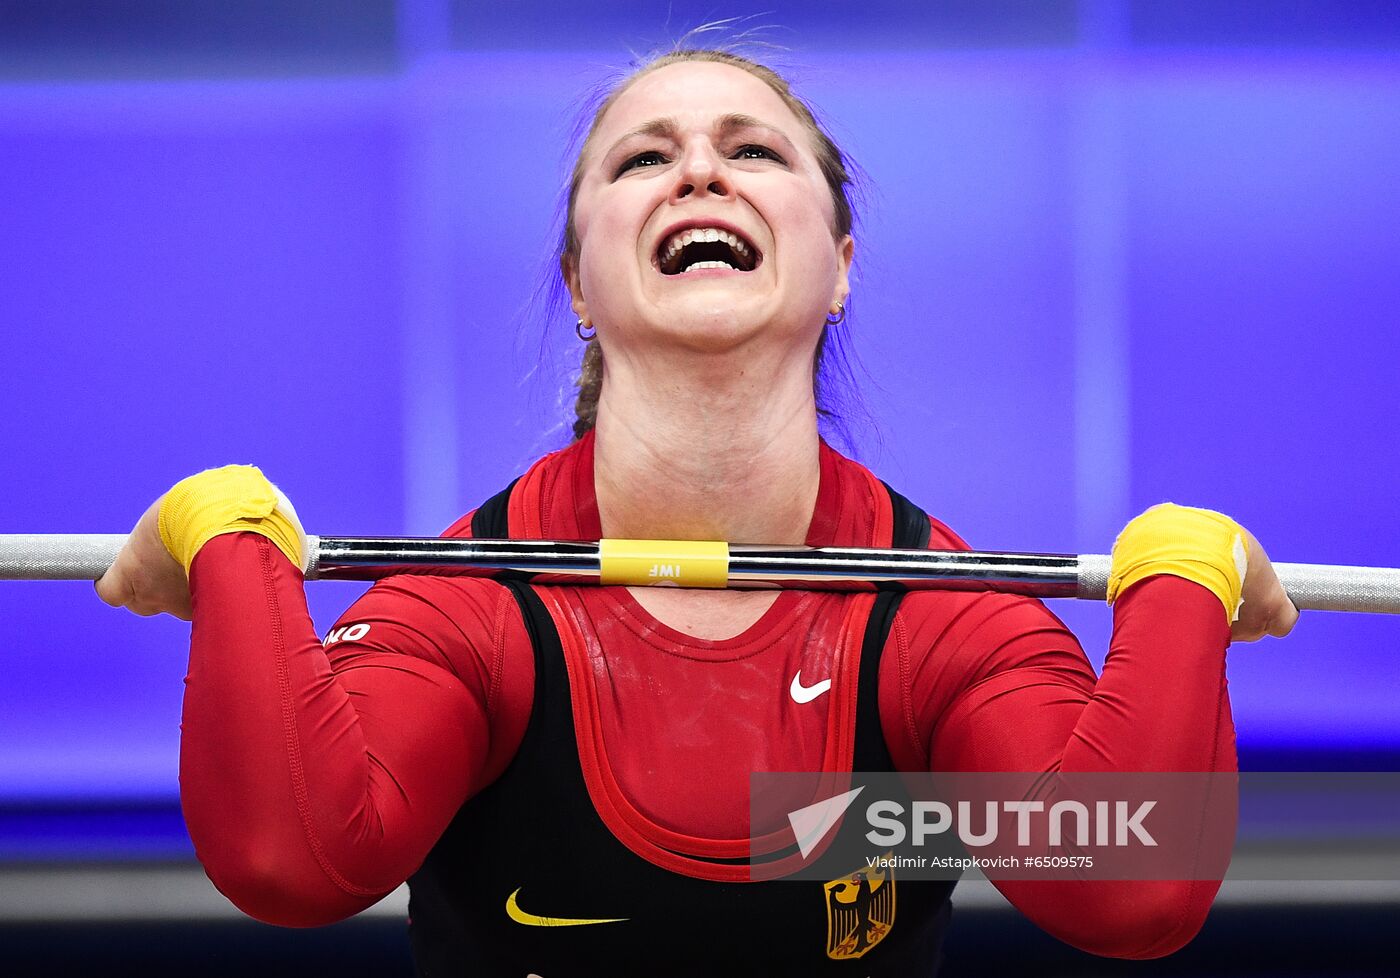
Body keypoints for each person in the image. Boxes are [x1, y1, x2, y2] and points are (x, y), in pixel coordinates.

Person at [96, 47, 1299, 976]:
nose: (699, 171)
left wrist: (1176, 582)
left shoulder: (938, 619)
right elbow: (294, 859)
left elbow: (1126, 886)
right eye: (639, 158)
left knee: (816, 827)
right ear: (577, 278)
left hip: (839, 794)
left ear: (839, 265)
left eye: (751, 151)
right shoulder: (476, 605)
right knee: (825, 827)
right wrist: (234, 538)